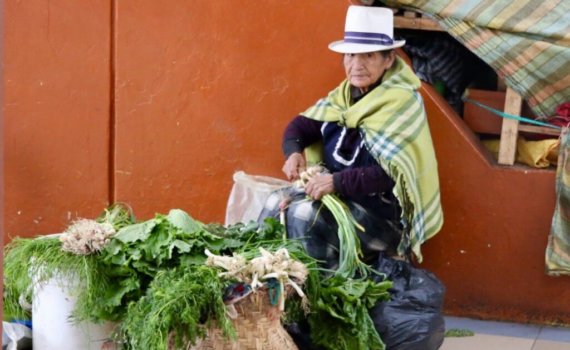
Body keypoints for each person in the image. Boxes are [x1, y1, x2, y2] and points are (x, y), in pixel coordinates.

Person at [281, 5, 443, 262]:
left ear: (388, 59)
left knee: (305, 217)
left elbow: (393, 173)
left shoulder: (401, 102)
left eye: (368, 56)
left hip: (382, 217)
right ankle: (276, 288)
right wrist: (293, 152)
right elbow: (300, 126)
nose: (357, 65)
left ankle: (319, 293)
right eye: (351, 55)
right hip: (343, 199)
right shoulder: (344, 97)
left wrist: (336, 182)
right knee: (276, 205)